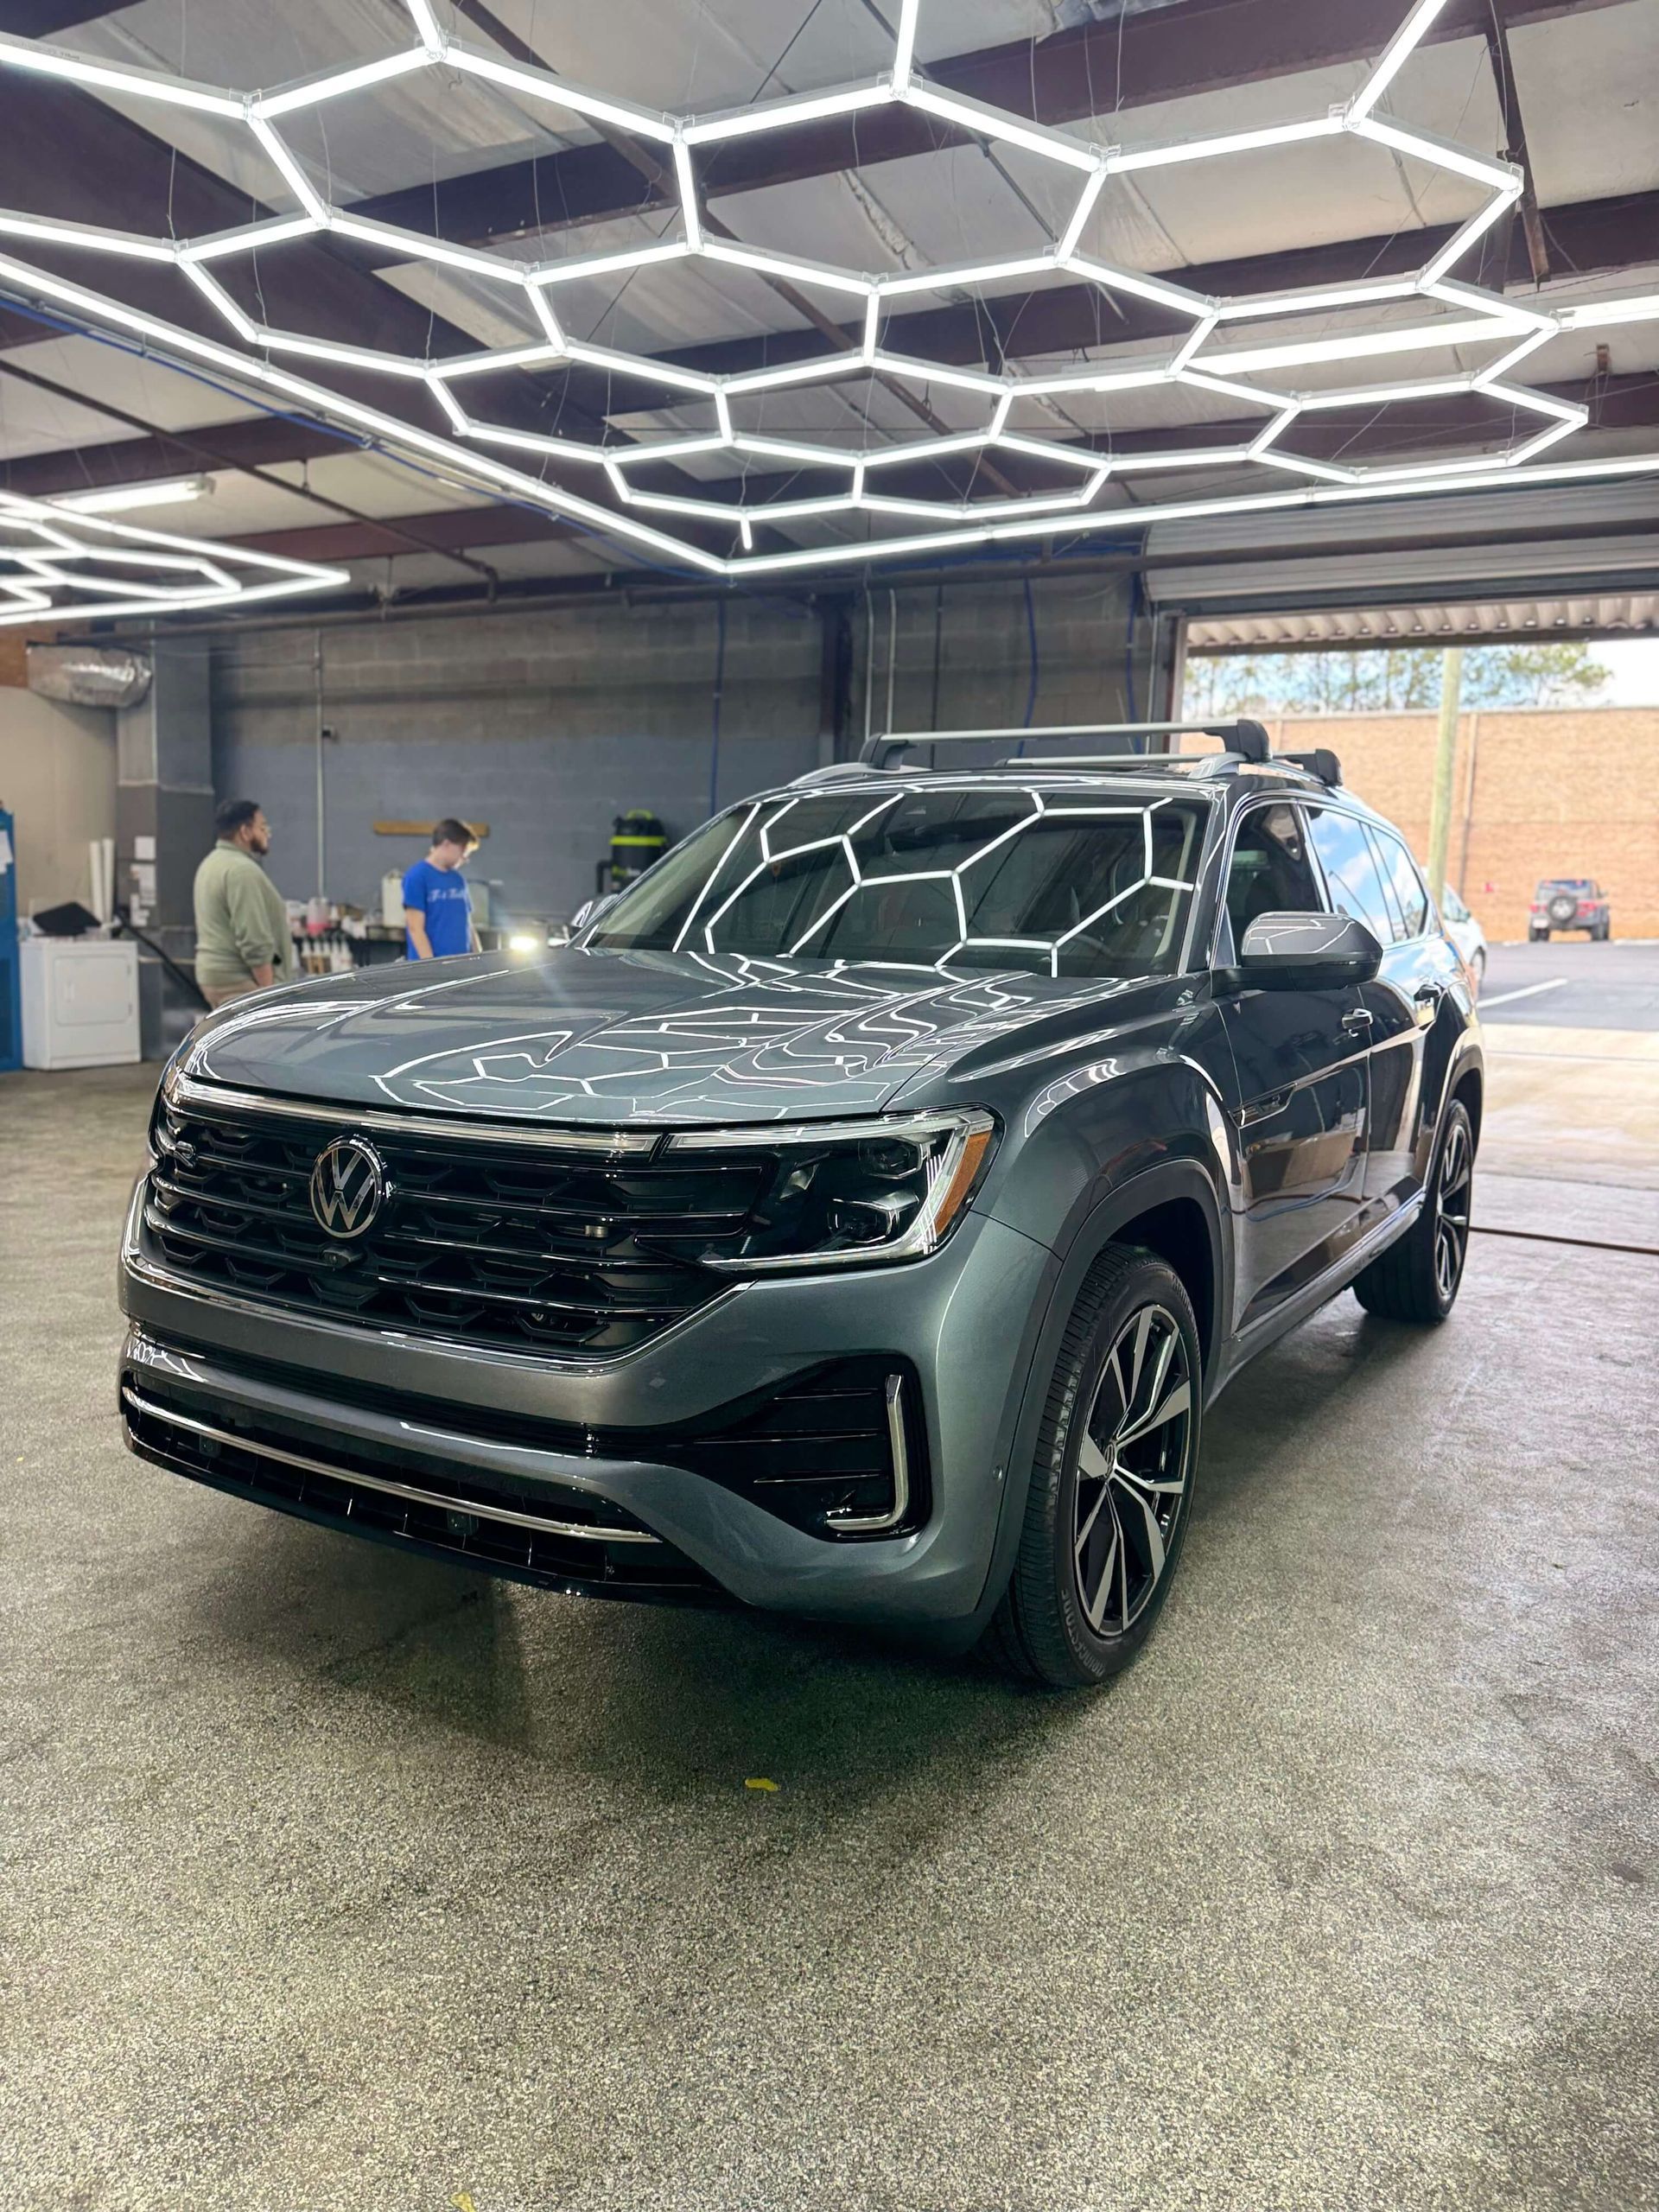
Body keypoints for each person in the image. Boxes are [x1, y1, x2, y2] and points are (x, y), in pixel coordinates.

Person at [193, 799, 296, 1008]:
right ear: (245, 832)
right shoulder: (242, 871)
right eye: (262, 827)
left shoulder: (211, 863)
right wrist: (269, 993)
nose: (267, 833)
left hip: (216, 976)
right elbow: (253, 938)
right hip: (239, 981)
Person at [403, 818, 480, 961]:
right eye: (462, 851)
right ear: (446, 844)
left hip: (460, 966)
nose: (464, 858)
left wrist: (479, 959)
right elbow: (415, 928)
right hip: (430, 969)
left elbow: (468, 924)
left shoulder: (458, 880)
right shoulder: (417, 876)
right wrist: (432, 966)